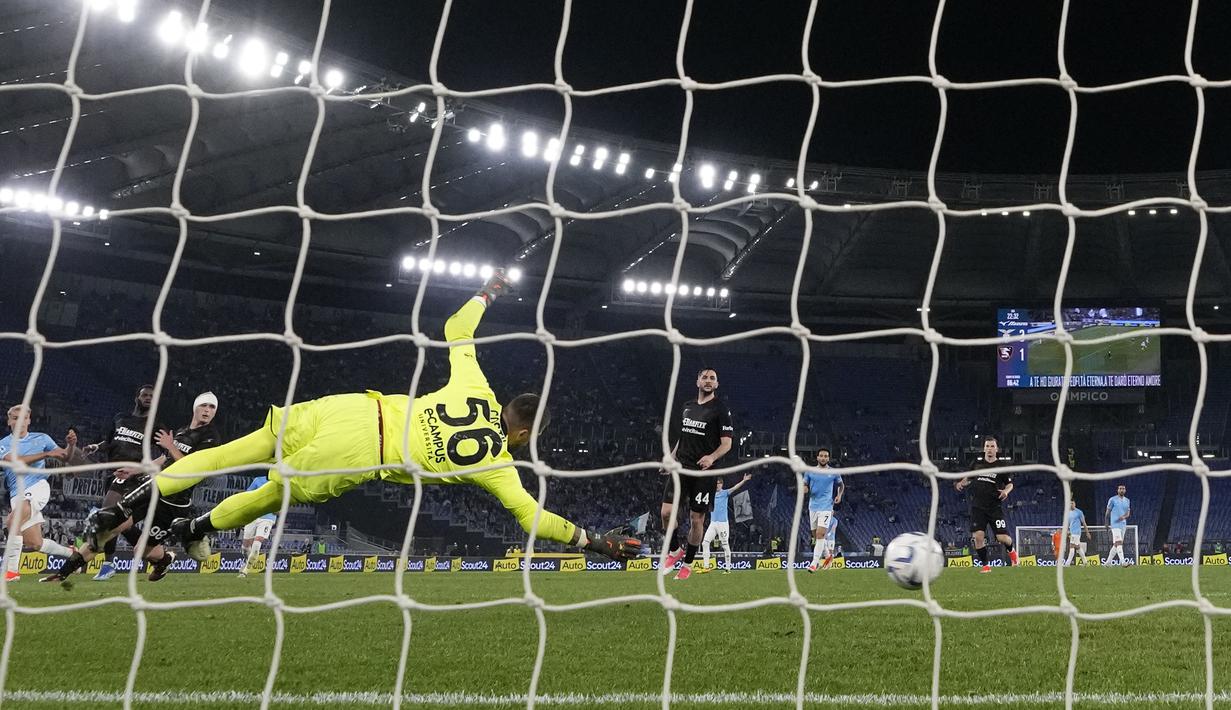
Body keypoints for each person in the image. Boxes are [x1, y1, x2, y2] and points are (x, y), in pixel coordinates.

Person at [79, 272, 639, 574]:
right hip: (361, 450)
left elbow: (454, 329)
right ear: (522, 432)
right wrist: (590, 540)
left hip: (351, 405)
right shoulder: (499, 465)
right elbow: (533, 518)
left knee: (242, 449)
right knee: (274, 492)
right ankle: (193, 531)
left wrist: (487, 293)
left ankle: (126, 511)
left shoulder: (475, 386)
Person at [43, 392, 222, 586]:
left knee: (141, 551)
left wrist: (170, 446)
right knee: (109, 528)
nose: (207, 410)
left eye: (212, 407)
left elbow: (194, 469)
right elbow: (163, 460)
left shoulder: (211, 438)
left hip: (174, 503)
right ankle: (63, 573)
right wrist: (134, 471)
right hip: (154, 488)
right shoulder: (182, 431)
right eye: (204, 405)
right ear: (195, 407)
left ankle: (164, 559)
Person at [660, 368, 734, 581]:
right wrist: (671, 459)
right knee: (666, 513)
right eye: (705, 377)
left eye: (712, 378)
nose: (708, 381)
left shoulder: (721, 410)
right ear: (697, 381)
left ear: (717, 384)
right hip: (681, 467)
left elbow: (727, 443)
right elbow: (682, 439)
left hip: (704, 472)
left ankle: (688, 563)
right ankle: (675, 551)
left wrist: (711, 457)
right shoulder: (687, 407)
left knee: (696, 519)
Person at [90, 385, 170, 581]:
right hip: (111, 473)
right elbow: (110, 441)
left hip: (132, 476)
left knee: (108, 512)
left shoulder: (156, 425)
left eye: (152, 396)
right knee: (122, 523)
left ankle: (108, 565)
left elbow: (168, 451)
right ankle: (160, 558)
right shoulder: (120, 418)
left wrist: (148, 467)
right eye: (145, 395)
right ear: (137, 398)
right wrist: (95, 447)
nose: (149, 398)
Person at [0, 406, 73, 581]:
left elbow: (64, 457)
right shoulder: (4, 444)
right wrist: (46, 454)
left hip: (37, 487)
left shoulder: (42, 438)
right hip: (16, 495)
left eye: (23, 418)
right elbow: (17, 462)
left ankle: (10, 571)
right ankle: (72, 554)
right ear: (9, 421)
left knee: (12, 520)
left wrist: (71, 445)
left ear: (29, 420)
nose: (19, 422)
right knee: (35, 543)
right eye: (15, 418)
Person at [954, 436, 1018, 573]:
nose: (989, 449)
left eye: (992, 446)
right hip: (978, 507)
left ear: (996, 449)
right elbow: (969, 478)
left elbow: (1010, 484)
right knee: (978, 537)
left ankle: (1012, 553)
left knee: (1002, 538)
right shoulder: (976, 465)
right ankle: (986, 566)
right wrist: (960, 483)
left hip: (994, 507)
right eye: (987, 446)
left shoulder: (1001, 467)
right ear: (984, 448)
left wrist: (1006, 492)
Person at [803, 448, 844, 573]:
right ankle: (828, 556)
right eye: (821, 456)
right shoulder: (810, 471)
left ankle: (814, 563)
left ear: (828, 458)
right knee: (815, 536)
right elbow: (805, 485)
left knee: (820, 535)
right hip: (813, 506)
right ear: (817, 457)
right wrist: (804, 489)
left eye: (826, 456)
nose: (823, 458)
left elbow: (841, 485)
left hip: (826, 507)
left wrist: (839, 495)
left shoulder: (833, 472)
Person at [700, 473, 751, 573]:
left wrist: (744, 480)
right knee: (705, 543)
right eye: (716, 483)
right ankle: (706, 567)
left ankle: (728, 568)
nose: (718, 485)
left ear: (722, 484)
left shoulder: (725, 493)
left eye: (719, 483)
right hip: (713, 523)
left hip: (722, 524)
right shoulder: (711, 494)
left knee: (725, 545)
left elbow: (735, 488)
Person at [238, 475, 276, 578]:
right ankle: (248, 561)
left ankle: (245, 571)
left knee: (256, 544)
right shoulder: (258, 480)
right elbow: (247, 495)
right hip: (253, 516)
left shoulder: (280, 483)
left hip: (267, 518)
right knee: (245, 548)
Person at [1104, 484, 1131, 566]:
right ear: (1117, 490)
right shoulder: (1112, 499)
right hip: (1115, 524)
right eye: (1120, 488)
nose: (1122, 490)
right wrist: (1106, 523)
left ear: (1125, 490)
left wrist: (1124, 517)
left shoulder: (1127, 500)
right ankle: (1123, 562)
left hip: (1123, 525)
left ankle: (1107, 563)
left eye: (1123, 488)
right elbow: (1107, 512)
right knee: (1119, 542)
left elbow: (1128, 513)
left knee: (1116, 544)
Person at [1064, 500, 1090, 566]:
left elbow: (1084, 523)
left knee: (1072, 546)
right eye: (1070, 503)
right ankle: (1085, 562)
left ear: (1075, 504)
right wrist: (1067, 531)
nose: (1071, 504)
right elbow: (1068, 523)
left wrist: (1087, 532)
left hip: (1076, 532)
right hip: (1072, 532)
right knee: (1078, 547)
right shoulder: (1068, 513)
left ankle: (1067, 563)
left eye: (1072, 503)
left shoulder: (1079, 512)